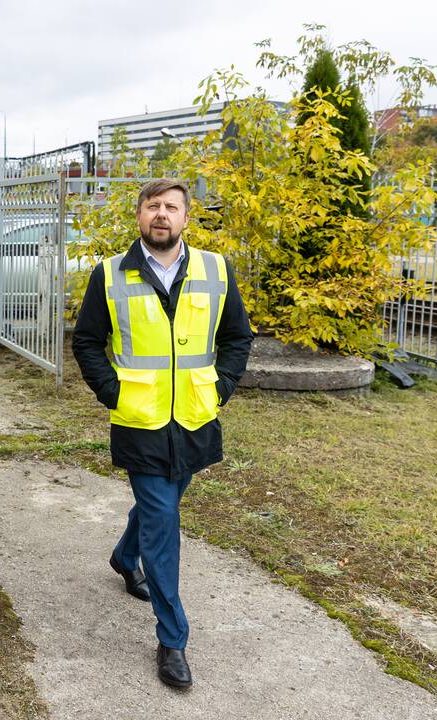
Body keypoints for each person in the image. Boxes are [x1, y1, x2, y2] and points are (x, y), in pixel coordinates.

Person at [71, 179, 253, 690]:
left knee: (162, 506)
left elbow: (238, 336)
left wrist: (222, 386)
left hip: (195, 417)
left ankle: (125, 557)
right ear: (139, 216)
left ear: (186, 218)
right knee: (163, 519)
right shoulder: (109, 275)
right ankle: (173, 638)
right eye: (153, 206)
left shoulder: (215, 270)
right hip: (141, 420)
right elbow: (87, 340)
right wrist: (113, 392)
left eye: (172, 207)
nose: (162, 215)